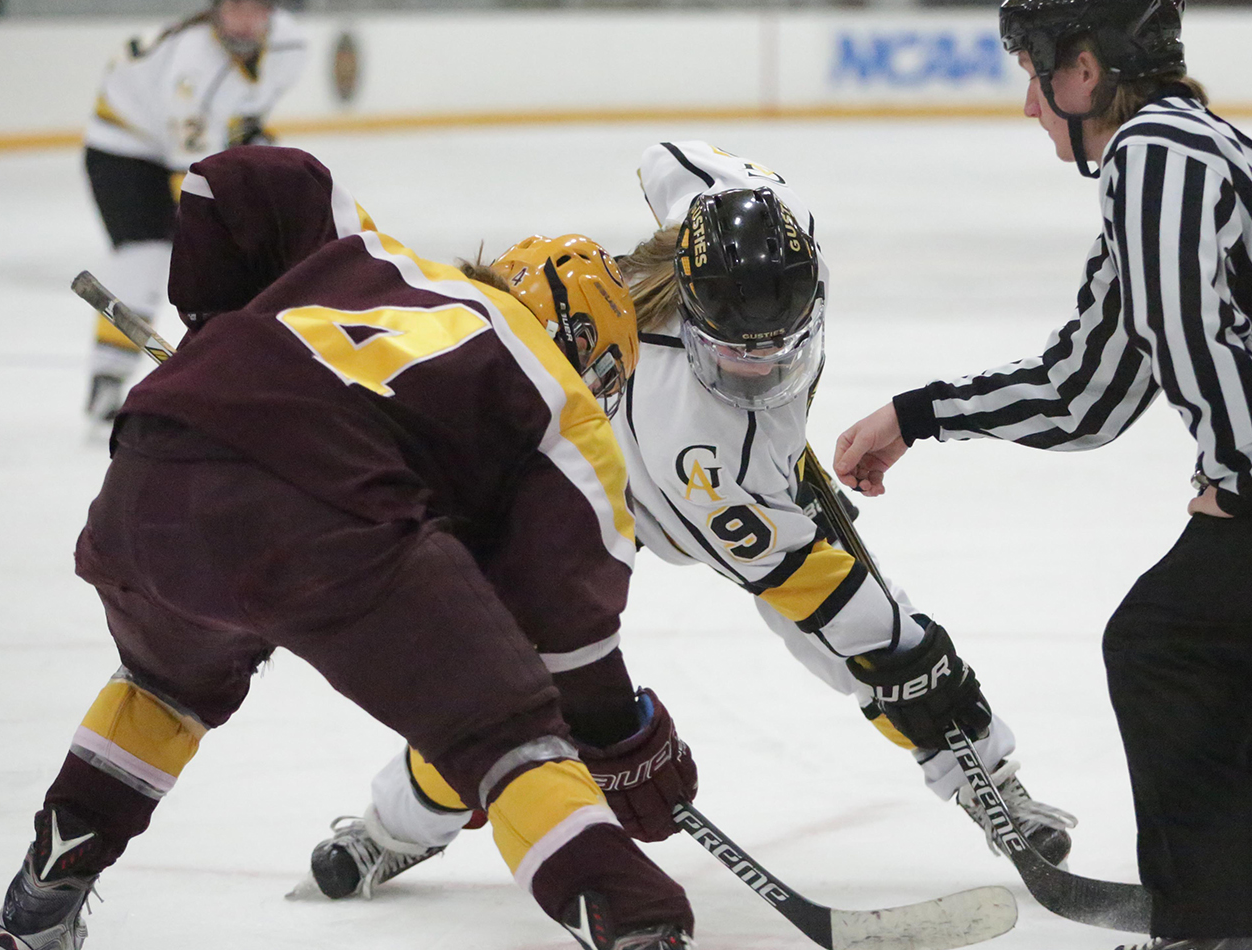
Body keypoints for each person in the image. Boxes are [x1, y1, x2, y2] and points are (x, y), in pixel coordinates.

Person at [833, 2, 1252, 949]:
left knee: (1164, 642)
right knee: (1241, 630)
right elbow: (1087, 392)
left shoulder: (1156, 151)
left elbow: (1191, 335)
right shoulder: (1165, 162)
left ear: (1086, 70)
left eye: (1034, 73)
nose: (1028, 105)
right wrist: (920, 414)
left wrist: (1233, 471)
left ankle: (1211, 925)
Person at [299, 141, 1077, 903]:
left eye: (780, 348)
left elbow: (668, 158)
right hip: (601, 495)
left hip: (735, 481)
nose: (761, 368)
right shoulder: (701, 449)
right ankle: (392, 829)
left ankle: (991, 785)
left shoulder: (766, 227)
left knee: (880, 642)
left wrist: (907, 666)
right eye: (738, 352)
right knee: (506, 685)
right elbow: (820, 598)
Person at [0, 146, 695, 950]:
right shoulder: (564, 404)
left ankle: (48, 887)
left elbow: (236, 182)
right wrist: (621, 737)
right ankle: (635, 921)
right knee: (506, 733)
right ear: (593, 359)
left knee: (161, 686)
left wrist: (219, 330)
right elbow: (568, 626)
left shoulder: (371, 258)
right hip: (319, 517)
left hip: (149, 472)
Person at [81, 0, 307, 427]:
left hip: (187, 144)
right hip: (123, 150)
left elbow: (246, 110)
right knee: (145, 257)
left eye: (255, 6)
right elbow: (191, 173)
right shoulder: (193, 64)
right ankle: (106, 377)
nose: (244, 17)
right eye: (234, 5)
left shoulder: (292, 44)